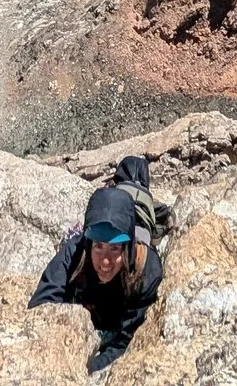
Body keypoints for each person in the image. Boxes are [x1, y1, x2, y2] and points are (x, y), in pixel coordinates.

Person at [31, 159, 164, 371]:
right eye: (98, 247)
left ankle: (136, 184)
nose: (105, 262)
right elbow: (42, 307)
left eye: (114, 249)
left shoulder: (147, 270)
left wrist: (87, 369)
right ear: (88, 243)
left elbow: (126, 341)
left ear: (127, 248)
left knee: (136, 182)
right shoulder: (75, 251)